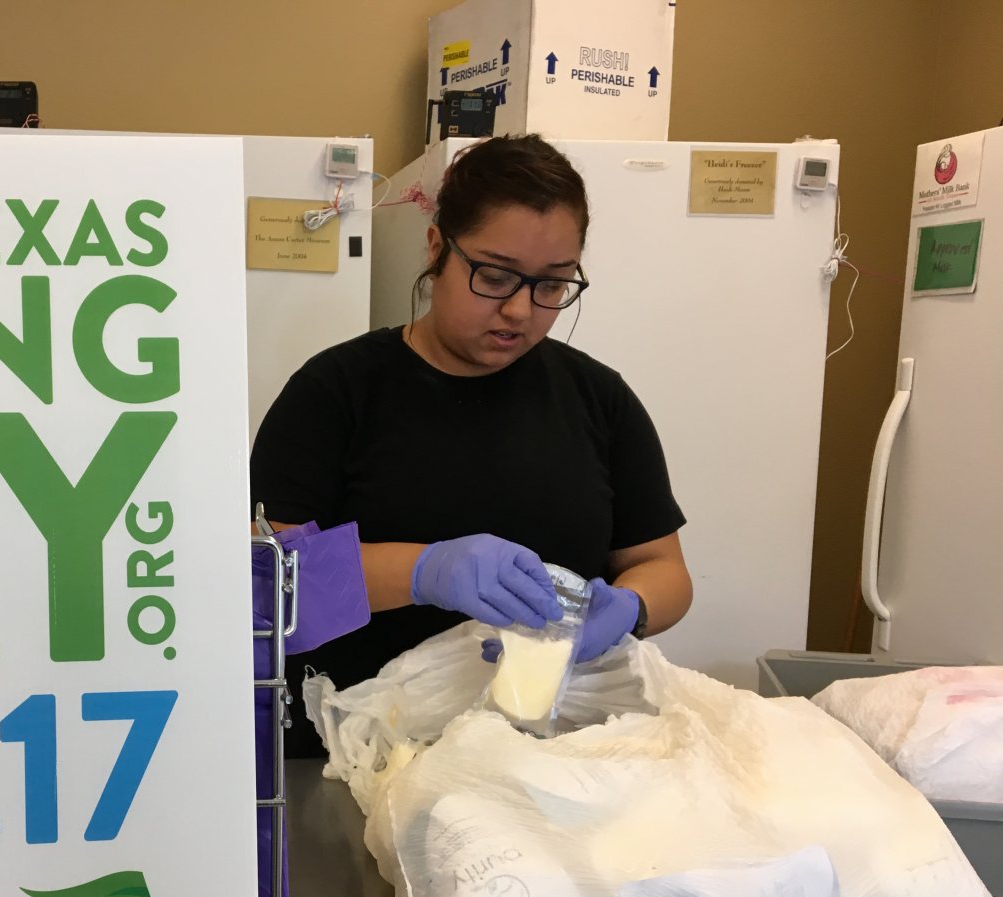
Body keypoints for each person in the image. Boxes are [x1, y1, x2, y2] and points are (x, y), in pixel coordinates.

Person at [249, 134, 693, 757]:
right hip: (357, 751)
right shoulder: (335, 392)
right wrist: (425, 571)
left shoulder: (599, 399)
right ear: (437, 249)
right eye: (494, 275)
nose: (519, 309)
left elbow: (665, 567)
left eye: (552, 284)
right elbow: (264, 583)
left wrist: (629, 606)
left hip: (545, 754)